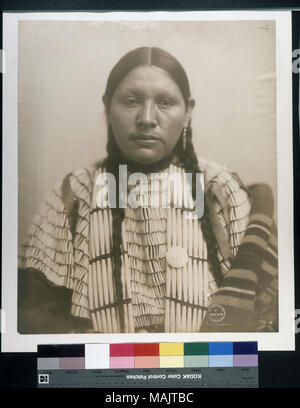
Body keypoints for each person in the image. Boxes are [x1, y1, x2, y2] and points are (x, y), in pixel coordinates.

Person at [18, 47, 278, 334]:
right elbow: (38, 317)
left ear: (188, 112)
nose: (146, 118)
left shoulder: (219, 188)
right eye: (131, 101)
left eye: (165, 102)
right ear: (107, 107)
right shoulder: (72, 195)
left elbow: (261, 315)